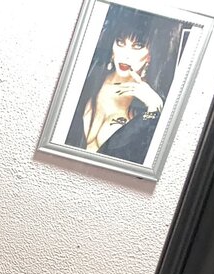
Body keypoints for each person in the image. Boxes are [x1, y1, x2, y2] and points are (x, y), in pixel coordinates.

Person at [65, 9, 188, 164]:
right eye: (120, 43)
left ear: (150, 55)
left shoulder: (155, 103)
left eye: (138, 46)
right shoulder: (89, 79)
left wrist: (153, 111)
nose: (125, 54)